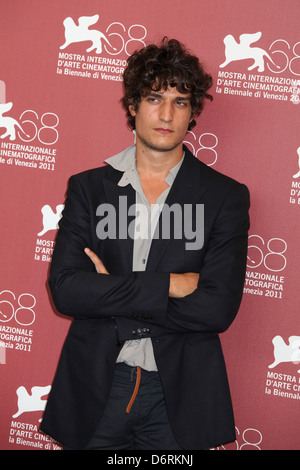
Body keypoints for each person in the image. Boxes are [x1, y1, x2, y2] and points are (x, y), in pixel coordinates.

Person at [40, 38, 250, 450]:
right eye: (155, 97)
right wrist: (169, 284)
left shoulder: (225, 196)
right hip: (98, 384)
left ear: (192, 115)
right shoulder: (88, 189)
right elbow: (66, 291)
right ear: (133, 105)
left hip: (181, 392)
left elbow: (217, 307)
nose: (167, 114)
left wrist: (110, 295)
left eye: (181, 101)